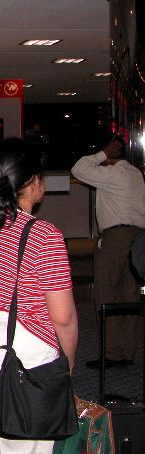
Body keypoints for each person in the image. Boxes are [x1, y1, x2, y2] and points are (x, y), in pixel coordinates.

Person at [0, 138, 78, 454]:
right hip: (20, 346)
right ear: (32, 181)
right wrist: (65, 367)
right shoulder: (44, 235)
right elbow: (64, 318)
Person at [71, 132, 145, 367]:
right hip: (138, 238)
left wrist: (104, 152)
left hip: (115, 238)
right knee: (129, 295)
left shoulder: (114, 174)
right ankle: (128, 352)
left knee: (107, 294)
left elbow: (79, 168)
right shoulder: (136, 174)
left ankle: (112, 354)